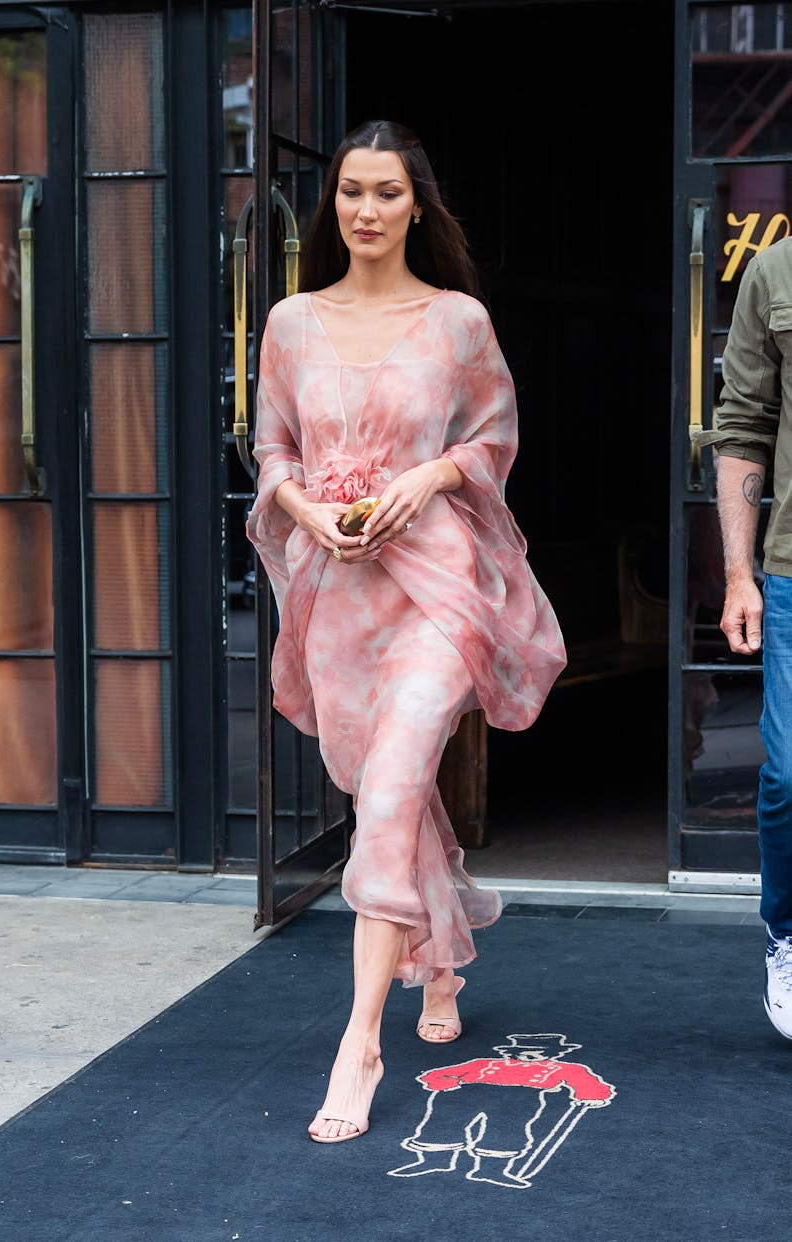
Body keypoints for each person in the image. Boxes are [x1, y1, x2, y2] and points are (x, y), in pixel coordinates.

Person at [245, 119, 566, 1142]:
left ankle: (360, 1042)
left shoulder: (458, 320)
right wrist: (306, 515)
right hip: (336, 590)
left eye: (386, 193)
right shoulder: (291, 321)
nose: (367, 210)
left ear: (416, 204)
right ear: (331, 203)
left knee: (386, 794)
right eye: (350, 192)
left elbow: (492, 437)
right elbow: (272, 450)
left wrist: (427, 474)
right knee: (390, 786)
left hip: (436, 583)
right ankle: (435, 953)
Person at [707, 235, 792, 1040]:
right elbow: (742, 429)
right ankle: (786, 931)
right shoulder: (777, 270)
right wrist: (740, 574)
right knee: (790, 772)